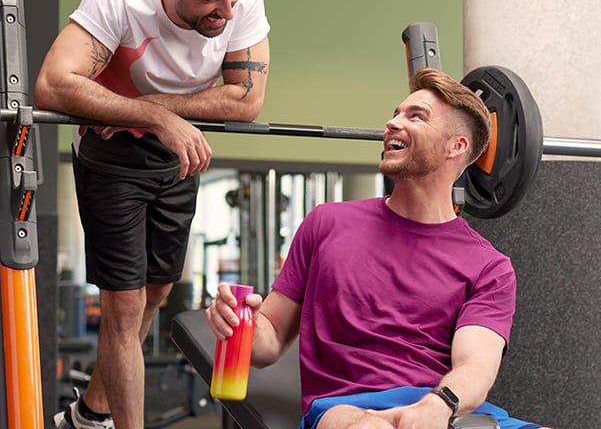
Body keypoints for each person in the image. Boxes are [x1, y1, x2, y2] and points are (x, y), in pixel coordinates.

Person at [206, 68, 549, 429]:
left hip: (444, 410)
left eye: (415, 116)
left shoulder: (488, 266)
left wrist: (438, 404)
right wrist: (238, 324)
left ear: (456, 146)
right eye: (396, 112)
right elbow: (270, 340)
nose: (392, 123)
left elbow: (475, 365)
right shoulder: (326, 224)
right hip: (349, 410)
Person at [36, 0, 270, 429]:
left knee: (158, 293)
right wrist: (153, 117)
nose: (227, 9)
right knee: (124, 308)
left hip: (178, 153)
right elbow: (53, 84)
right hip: (110, 158)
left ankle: (87, 414)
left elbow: (246, 99)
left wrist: (158, 112)